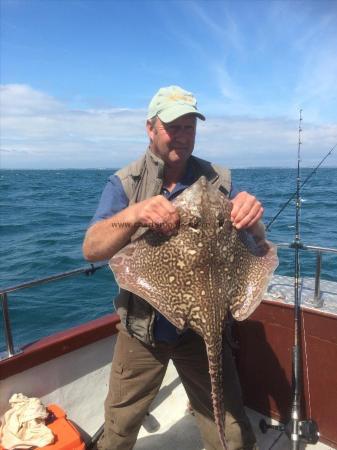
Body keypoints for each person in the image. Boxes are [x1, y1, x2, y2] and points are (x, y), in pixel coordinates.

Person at [83, 85, 265, 450]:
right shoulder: (125, 182)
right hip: (142, 330)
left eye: (189, 128)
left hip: (205, 333)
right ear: (150, 128)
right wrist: (135, 214)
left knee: (232, 432)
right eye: (173, 127)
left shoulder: (220, 181)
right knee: (118, 429)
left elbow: (256, 244)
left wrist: (252, 216)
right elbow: (92, 248)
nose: (182, 136)